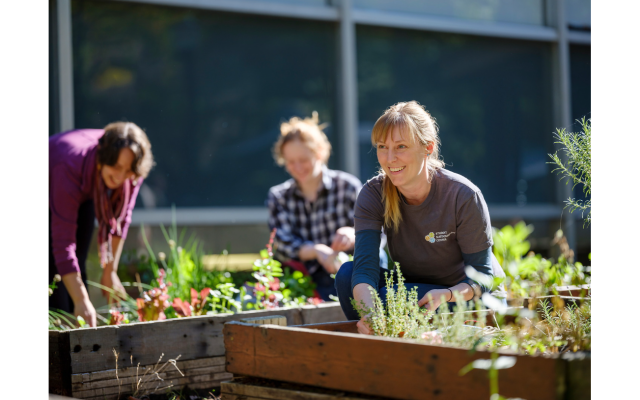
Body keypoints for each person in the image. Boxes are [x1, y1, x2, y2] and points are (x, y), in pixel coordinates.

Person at [334, 101, 505, 334]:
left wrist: (446, 294)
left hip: (465, 296)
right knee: (347, 276)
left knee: (389, 299)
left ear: (428, 147)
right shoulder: (373, 193)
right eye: (383, 146)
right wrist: (370, 315)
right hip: (416, 290)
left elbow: (484, 278)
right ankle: (380, 340)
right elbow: (365, 268)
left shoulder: (462, 195)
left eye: (401, 146)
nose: (390, 158)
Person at [49, 122, 154, 327]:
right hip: (50, 179)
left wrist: (110, 272)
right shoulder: (69, 166)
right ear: (102, 158)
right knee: (52, 269)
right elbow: (63, 245)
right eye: (116, 167)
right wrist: (80, 301)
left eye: (128, 171)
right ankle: (56, 328)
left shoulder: (131, 171)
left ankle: (77, 322)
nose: (121, 177)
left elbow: (121, 220)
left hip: (86, 184)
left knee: (78, 260)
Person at [267, 112, 367, 301]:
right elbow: (282, 245)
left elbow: (378, 231)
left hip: (349, 272)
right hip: (305, 278)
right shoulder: (279, 196)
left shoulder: (347, 187)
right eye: (290, 162)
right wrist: (317, 250)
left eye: (303, 160)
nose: (297, 167)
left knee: (375, 255)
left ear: (319, 153)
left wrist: (353, 234)